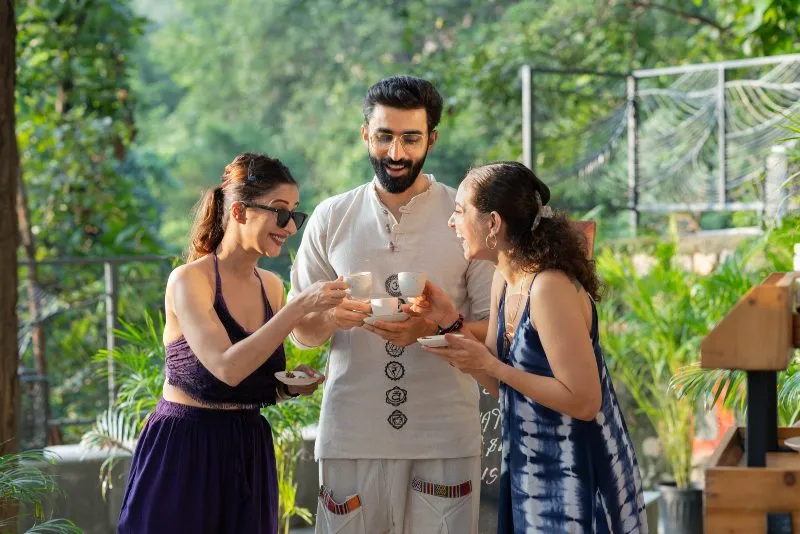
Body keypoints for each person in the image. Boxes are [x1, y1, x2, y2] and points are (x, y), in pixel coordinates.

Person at [288, 75, 495, 534]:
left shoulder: (465, 217)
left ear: (432, 140)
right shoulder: (331, 217)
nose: (396, 152)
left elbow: (495, 330)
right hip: (350, 433)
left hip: (445, 434)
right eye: (384, 136)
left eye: (410, 138)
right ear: (366, 135)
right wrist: (331, 318)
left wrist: (432, 330)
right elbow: (301, 332)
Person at [408, 161, 649, 533]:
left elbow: (585, 401)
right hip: (530, 471)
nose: (452, 223)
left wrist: (494, 366)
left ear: (493, 223)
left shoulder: (548, 288)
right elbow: (499, 385)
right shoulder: (504, 281)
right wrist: (448, 321)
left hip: (576, 475)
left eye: (460, 211)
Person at [117, 153, 349, 534]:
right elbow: (226, 368)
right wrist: (300, 306)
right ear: (239, 211)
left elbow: (249, 381)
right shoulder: (189, 280)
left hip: (248, 450)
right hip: (184, 450)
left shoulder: (271, 287)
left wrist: (288, 387)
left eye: (294, 214)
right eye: (280, 212)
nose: (291, 226)